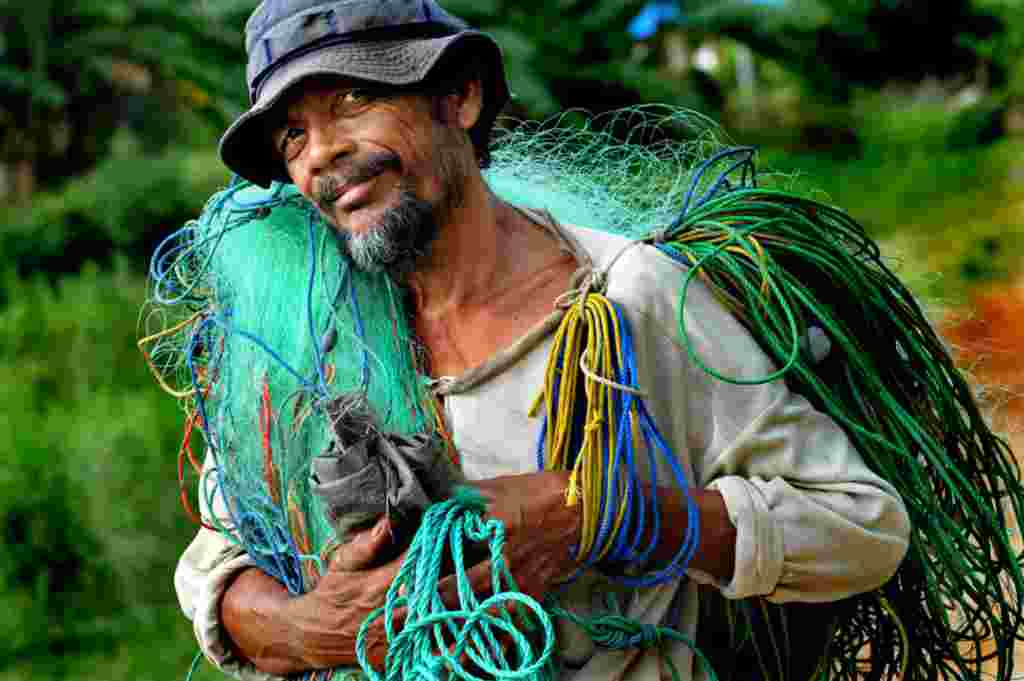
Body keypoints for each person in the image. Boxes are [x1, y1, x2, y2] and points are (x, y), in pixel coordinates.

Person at [172, 1, 912, 680]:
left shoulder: (629, 299)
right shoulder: (306, 339)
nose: (320, 154)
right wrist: (318, 628)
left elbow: (860, 525)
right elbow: (215, 570)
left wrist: (601, 516)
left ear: (459, 95)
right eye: (292, 134)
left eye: (354, 100)